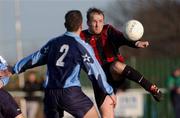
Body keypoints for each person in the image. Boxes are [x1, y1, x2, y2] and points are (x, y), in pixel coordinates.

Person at [0, 10, 115, 118]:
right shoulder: (82, 46)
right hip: (70, 93)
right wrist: (109, 91)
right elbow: (96, 73)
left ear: (65, 24)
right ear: (81, 26)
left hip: (50, 94)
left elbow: (34, 59)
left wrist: (13, 69)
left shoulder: (53, 43)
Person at [80, 8, 162, 117]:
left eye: (100, 21)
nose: (97, 25)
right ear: (88, 23)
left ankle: (151, 87)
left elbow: (122, 38)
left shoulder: (108, 30)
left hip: (116, 75)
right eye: (94, 21)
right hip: (99, 82)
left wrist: (136, 43)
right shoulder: (81, 37)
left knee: (116, 65)